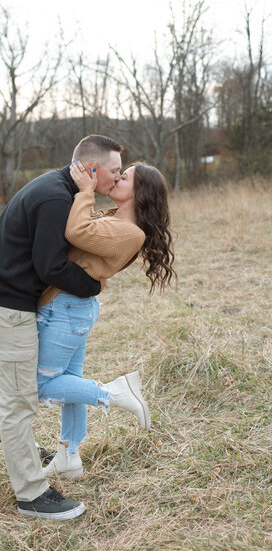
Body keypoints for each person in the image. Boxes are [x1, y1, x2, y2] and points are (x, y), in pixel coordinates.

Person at [0, 135, 123, 520]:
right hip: (6, 307)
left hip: (12, 302)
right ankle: (31, 494)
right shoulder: (56, 198)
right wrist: (93, 287)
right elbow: (50, 266)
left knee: (24, 394)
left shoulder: (61, 189)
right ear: (91, 169)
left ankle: (33, 456)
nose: (118, 178)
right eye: (114, 170)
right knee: (19, 402)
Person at [36, 158, 176, 480]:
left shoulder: (129, 232)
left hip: (67, 311)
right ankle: (69, 455)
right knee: (71, 382)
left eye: (123, 177)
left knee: (44, 385)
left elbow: (76, 231)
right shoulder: (117, 219)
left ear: (139, 192)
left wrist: (86, 190)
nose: (115, 179)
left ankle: (114, 394)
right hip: (73, 308)